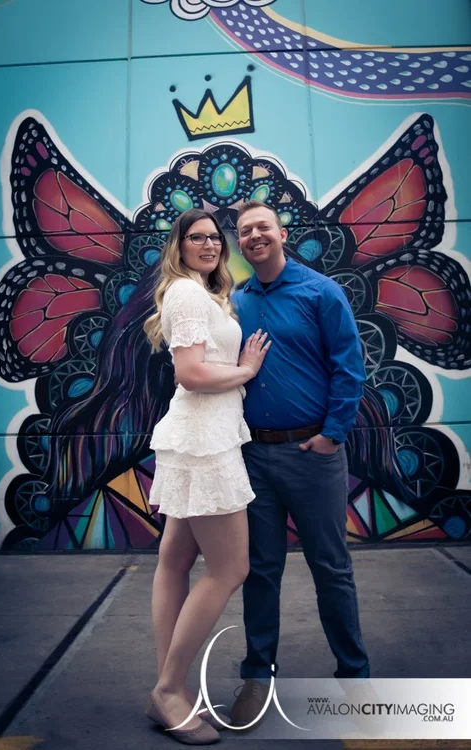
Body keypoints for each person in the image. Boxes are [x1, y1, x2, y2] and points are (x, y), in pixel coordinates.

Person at [230, 200, 370, 727]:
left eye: (262, 227)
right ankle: (257, 676)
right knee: (260, 570)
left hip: (312, 454)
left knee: (331, 568)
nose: (254, 235)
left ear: (282, 233)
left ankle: (355, 677)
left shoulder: (321, 292)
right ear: (239, 242)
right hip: (253, 456)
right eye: (245, 230)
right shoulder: (237, 300)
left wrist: (332, 435)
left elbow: (349, 366)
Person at [142, 208, 271, 744]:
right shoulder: (187, 294)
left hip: (201, 435)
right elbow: (191, 373)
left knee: (175, 560)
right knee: (230, 567)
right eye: (197, 237)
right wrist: (246, 370)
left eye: (216, 237)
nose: (210, 244)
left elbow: (197, 367)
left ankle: (168, 689)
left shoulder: (203, 292)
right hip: (205, 442)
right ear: (179, 245)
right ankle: (170, 689)